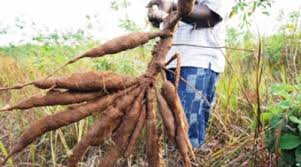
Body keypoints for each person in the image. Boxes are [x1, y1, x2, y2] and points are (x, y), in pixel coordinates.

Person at [147, 0, 230, 149]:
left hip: (197, 60)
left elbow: (209, 16)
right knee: (173, 127)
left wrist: (172, 7)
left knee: (187, 130)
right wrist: (157, 14)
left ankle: (190, 159)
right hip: (170, 60)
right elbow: (164, 19)